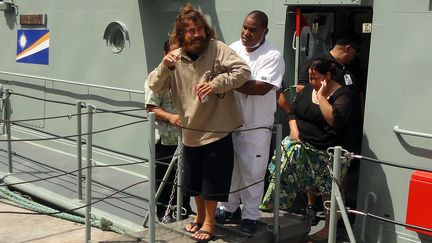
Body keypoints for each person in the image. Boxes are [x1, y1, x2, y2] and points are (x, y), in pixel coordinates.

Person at [148, 3, 251, 242]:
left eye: (199, 29)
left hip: (216, 128)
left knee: (212, 181)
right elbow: (154, 84)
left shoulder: (216, 48)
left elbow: (243, 71)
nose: (196, 35)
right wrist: (165, 66)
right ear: (182, 35)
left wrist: (216, 84)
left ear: (206, 31)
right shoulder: (175, 56)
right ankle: (200, 217)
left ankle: (210, 222)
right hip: (191, 129)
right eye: (190, 31)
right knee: (194, 182)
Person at [261, 58, 353, 241]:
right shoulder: (307, 90)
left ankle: (329, 227)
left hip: (327, 152)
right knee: (284, 172)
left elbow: (333, 120)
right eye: (310, 78)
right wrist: (294, 130)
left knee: (329, 190)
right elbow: (293, 112)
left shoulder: (343, 95)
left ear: (327, 76)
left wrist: (321, 96)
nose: (312, 82)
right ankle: (276, 207)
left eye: (316, 78)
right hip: (303, 146)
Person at [215, 10, 285, 235]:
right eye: (245, 27)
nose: (246, 33)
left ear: (265, 31)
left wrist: (226, 83)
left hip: (256, 127)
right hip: (230, 123)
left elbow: (261, 87)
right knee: (230, 169)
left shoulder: (272, 55)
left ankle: (251, 215)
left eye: (253, 29)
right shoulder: (233, 48)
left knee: (252, 172)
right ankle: (229, 208)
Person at [144, 40, 193, 223]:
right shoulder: (156, 77)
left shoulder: (187, 76)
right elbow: (150, 108)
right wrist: (171, 118)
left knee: (185, 176)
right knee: (164, 179)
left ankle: (183, 208)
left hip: (186, 137)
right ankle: (163, 212)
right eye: (173, 54)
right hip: (165, 139)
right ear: (164, 54)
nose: (177, 58)